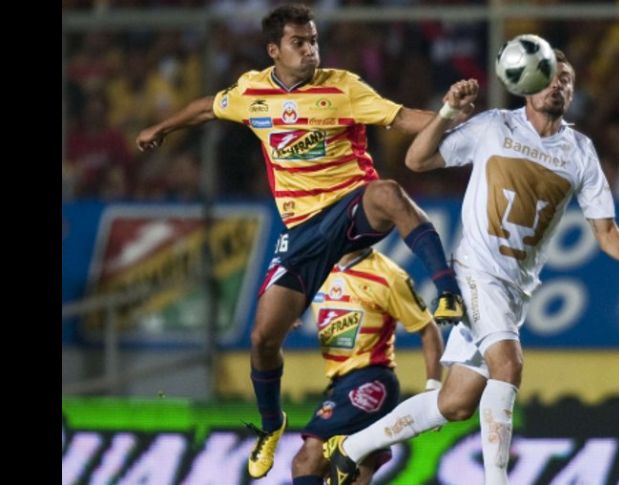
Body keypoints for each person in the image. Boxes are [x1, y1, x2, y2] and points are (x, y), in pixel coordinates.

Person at [135, 4, 467, 479]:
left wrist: (459, 123)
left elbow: (402, 118)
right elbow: (208, 106)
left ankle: (448, 289)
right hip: (301, 232)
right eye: (299, 42)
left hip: (351, 206)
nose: (311, 49)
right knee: (263, 338)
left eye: (313, 40)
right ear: (274, 50)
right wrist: (161, 128)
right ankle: (272, 425)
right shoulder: (252, 92)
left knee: (389, 192)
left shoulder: (342, 86)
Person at [324, 48, 619, 485]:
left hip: (515, 288)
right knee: (509, 364)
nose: (558, 85)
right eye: (550, 77)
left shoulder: (579, 152)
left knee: (456, 403)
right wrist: (445, 112)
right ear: (529, 83)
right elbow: (417, 160)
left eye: (567, 80)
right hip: (476, 272)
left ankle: (351, 448)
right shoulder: (496, 126)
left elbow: (606, 231)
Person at [291, 247, 443, 485]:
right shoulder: (318, 266)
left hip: (371, 381)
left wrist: (433, 387)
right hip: (340, 383)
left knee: (307, 459)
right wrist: (289, 312)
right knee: (355, 475)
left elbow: (428, 328)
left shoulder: (388, 275)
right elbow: (291, 293)